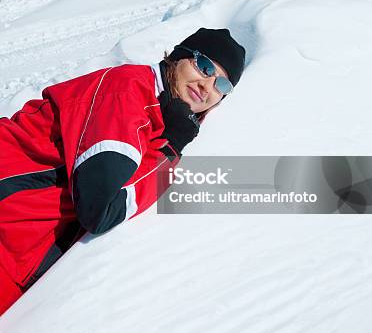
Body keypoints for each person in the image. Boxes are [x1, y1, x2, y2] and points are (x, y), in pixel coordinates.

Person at [0, 28, 246, 315]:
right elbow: (99, 208)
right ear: (179, 57)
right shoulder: (129, 91)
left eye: (222, 85)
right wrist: (170, 152)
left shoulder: (158, 118)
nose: (207, 85)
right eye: (203, 66)